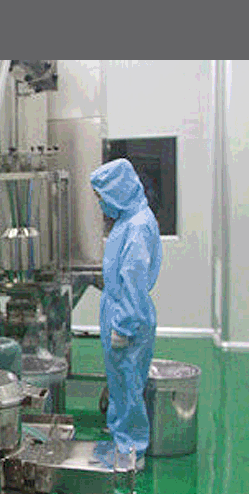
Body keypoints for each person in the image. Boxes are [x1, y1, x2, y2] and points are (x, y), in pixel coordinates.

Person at [90, 158, 162, 472]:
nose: (101, 204)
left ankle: (133, 451)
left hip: (127, 315)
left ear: (117, 190)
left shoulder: (138, 225)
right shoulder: (127, 219)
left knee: (129, 385)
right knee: (119, 384)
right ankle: (121, 442)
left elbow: (133, 279)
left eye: (102, 197)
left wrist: (124, 324)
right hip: (117, 308)